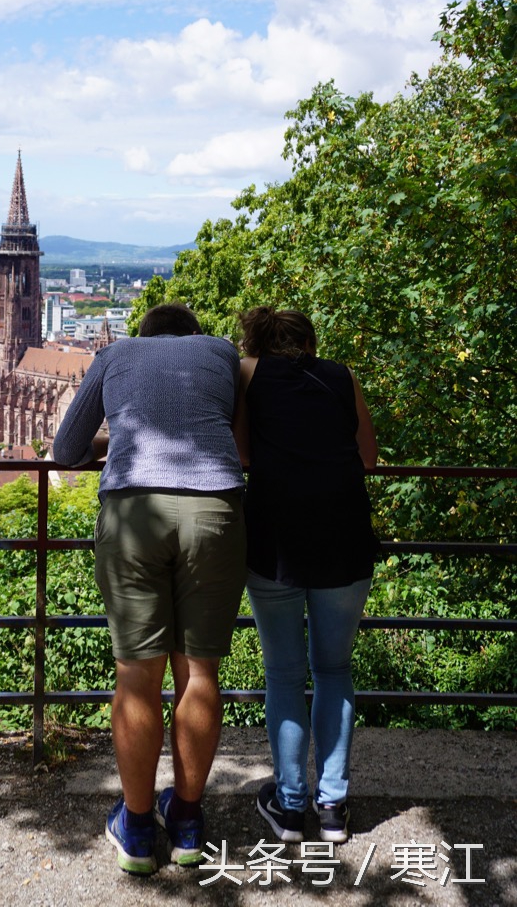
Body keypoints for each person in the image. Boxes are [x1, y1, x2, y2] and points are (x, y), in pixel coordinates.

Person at [52, 303, 246, 875]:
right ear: (191, 336)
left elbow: (65, 451)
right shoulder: (221, 352)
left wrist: (109, 450)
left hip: (134, 510)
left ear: (143, 336)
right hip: (215, 508)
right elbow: (237, 440)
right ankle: (186, 823)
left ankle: (136, 830)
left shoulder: (114, 354)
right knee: (200, 672)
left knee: (138, 673)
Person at [232, 305, 379, 846]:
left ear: (256, 342)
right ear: (309, 342)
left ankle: (291, 807)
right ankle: (334, 807)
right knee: (334, 670)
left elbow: (243, 451)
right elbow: (369, 456)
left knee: (285, 674)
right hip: (344, 539)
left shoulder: (248, 373)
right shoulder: (341, 375)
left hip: (275, 543)